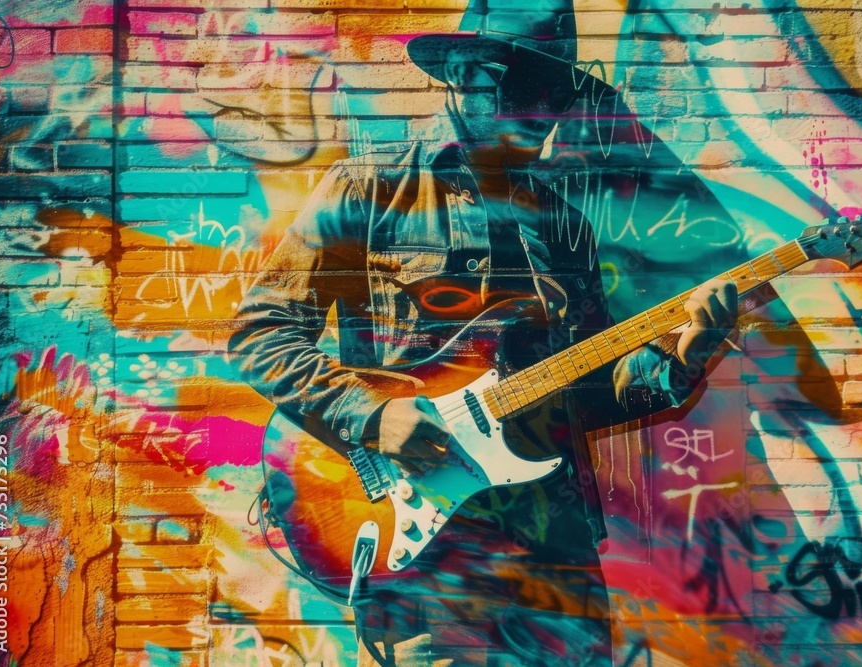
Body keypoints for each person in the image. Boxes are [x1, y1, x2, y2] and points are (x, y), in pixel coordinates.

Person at [230, 1, 737, 663]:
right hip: (424, 558)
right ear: (465, 73)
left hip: (552, 550)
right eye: (525, 85)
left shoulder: (560, 223)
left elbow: (582, 387)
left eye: (558, 91)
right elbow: (261, 332)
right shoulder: (369, 191)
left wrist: (677, 364)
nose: (544, 111)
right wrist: (372, 415)